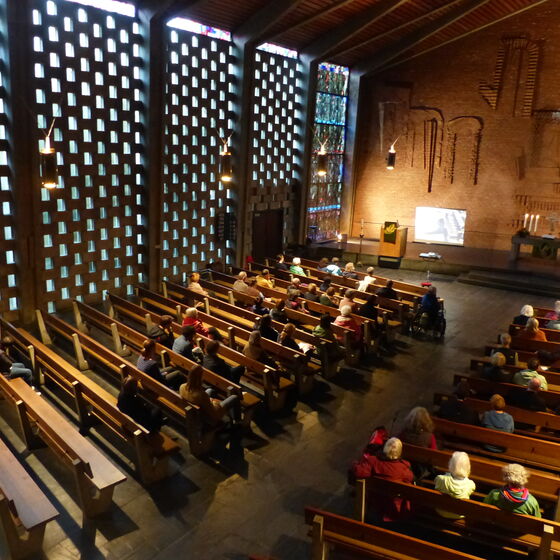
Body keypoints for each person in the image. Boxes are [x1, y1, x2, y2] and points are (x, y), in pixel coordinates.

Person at [349, 437, 414, 522]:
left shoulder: (373, 461)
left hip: (374, 502)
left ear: (385, 448)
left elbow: (358, 472)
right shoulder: (404, 467)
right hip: (393, 507)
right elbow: (410, 480)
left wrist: (355, 463)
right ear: (399, 452)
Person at [434, 452, 476, 518]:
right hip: (460, 514)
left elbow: (436, 486)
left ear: (450, 465)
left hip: (441, 511)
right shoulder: (471, 484)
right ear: (468, 467)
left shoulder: (441, 479)